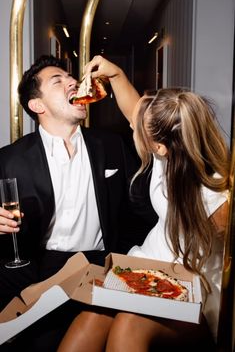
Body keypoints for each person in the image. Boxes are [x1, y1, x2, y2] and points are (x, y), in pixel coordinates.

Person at [57, 55, 230, 351]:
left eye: (138, 132)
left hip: (189, 295)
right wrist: (116, 74)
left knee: (128, 325)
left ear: (161, 147)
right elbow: (134, 109)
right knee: (91, 315)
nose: (133, 130)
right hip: (143, 271)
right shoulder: (171, 152)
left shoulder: (217, 195)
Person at [0, 55, 157, 351]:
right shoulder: (9, 160)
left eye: (71, 77)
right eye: (58, 81)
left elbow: (141, 208)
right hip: (43, 269)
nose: (73, 81)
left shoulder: (111, 145)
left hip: (101, 265)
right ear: (38, 106)